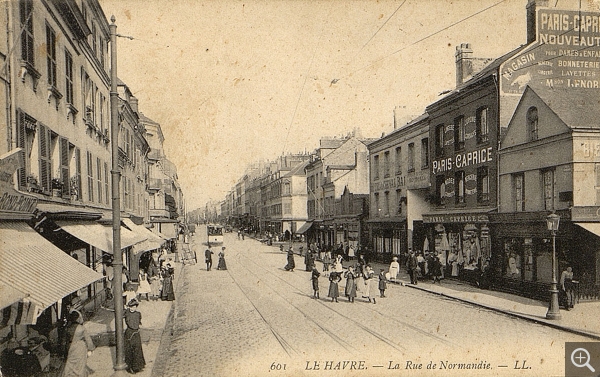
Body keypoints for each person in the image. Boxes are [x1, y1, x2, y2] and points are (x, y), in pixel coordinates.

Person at [62, 310, 94, 377]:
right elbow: (88, 339)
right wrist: (91, 348)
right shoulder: (81, 328)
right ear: (77, 318)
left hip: (71, 346)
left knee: (70, 365)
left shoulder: (67, 328)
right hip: (80, 347)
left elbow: (64, 341)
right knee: (81, 366)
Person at [124, 298, 146, 374]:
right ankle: (130, 367)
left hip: (136, 333)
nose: (133, 308)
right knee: (130, 350)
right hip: (129, 333)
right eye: (131, 306)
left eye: (134, 306)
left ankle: (138, 366)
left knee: (138, 349)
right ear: (129, 307)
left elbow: (139, 322)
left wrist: (139, 327)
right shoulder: (127, 313)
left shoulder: (138, 314)